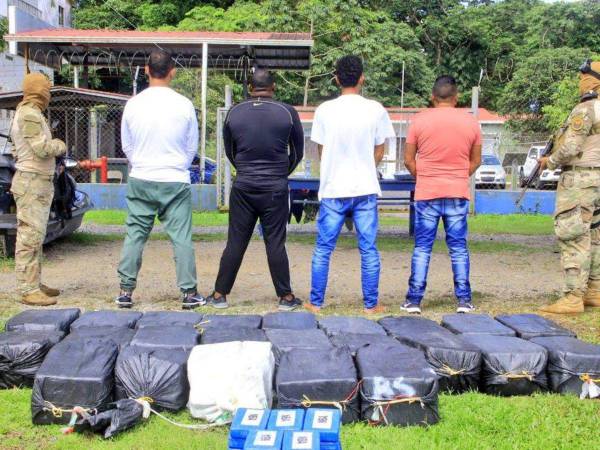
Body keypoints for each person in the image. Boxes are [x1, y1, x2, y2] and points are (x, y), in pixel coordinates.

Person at [205, 69, 304, 310]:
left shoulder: (235, 112)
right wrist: (280, 173)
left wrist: (246, 170)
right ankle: (286, 298)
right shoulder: (287, 112)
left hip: (244, 185)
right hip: (275, 187)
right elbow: (298, 151)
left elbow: (230, 151)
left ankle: (219, 295)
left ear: (250, 87)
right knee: (275, 242)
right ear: (273, 87)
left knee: (236, 241)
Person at [305, 55, 395, 315]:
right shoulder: (376, 109)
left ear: (336, 79)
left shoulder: (324, 110)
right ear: (362, 78)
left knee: (323, 248)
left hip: (334, 188)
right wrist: (367, 166)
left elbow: (321, 149)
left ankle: (316, 302)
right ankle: (371, 304)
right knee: (368, 248)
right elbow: (380, 148)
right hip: (365, 187)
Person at [115, 49, 204, 310]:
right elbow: (192, 147)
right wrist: (178, 166)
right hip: (175, 177)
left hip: (142, 175)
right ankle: (189, 293)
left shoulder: (133, 104)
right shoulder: (184, 104)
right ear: (172, 72)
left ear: (146, 70)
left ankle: (125, 291)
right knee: (181, 237)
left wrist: (142, 162)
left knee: (135, 235)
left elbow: (127, 146)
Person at [402, 75, 482, 315]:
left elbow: (408, 160)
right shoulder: (471, 122)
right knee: (458, 247)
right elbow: (476, 160)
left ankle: (414, 300)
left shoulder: (418, 121)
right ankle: (464, 300)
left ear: (432, 97)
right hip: (457, 192)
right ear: (456, 98)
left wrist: (424, 176)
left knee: (422, 247)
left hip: (427, 193)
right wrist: (457, 175)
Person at [538, 59, 600, 314]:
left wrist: (549, 161)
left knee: (573, 235)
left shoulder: (585, 109)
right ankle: (595, 291)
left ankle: (573, 297)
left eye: (582, 78)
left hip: (580, 179)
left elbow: (572, 147)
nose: (580, 83)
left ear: (593, 80)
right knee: (595, 235)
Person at [10, 73, 66, 306]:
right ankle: (28, 288)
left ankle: (34, 282)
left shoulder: (29, 113)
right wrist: (60, 145)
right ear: (39, 90)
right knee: (29, 236)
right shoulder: (30, 114)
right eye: (46, 89)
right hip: (31, 181)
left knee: (36, 235)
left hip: (37, 181)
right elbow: (41, 149)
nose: (48, 93)